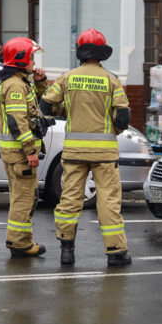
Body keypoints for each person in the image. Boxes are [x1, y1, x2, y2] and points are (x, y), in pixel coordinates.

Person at [39, 28, 132, 267]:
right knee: (108, 201)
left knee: (69, 200)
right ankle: (115, 252)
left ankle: (66, 251)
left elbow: (47, 107)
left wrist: (68, 112)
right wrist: (112, 131)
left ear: (80, 52)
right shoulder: (112, 80)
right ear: (101, 54)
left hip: (74, 153)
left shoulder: (67, 77)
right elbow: (123, 117)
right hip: (104, 154)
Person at [0, 37, 48, 258]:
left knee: (22, 196)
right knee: (24, 198)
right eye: (32, 57)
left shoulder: (18, 81)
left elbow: (36, 104)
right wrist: (30, 150)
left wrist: (40, 82)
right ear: (20, 58)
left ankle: (21, 241)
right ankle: (19, 243)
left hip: (14, 154)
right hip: (20, 155)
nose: (34, 62)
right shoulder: (15, 85)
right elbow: (18, 121)